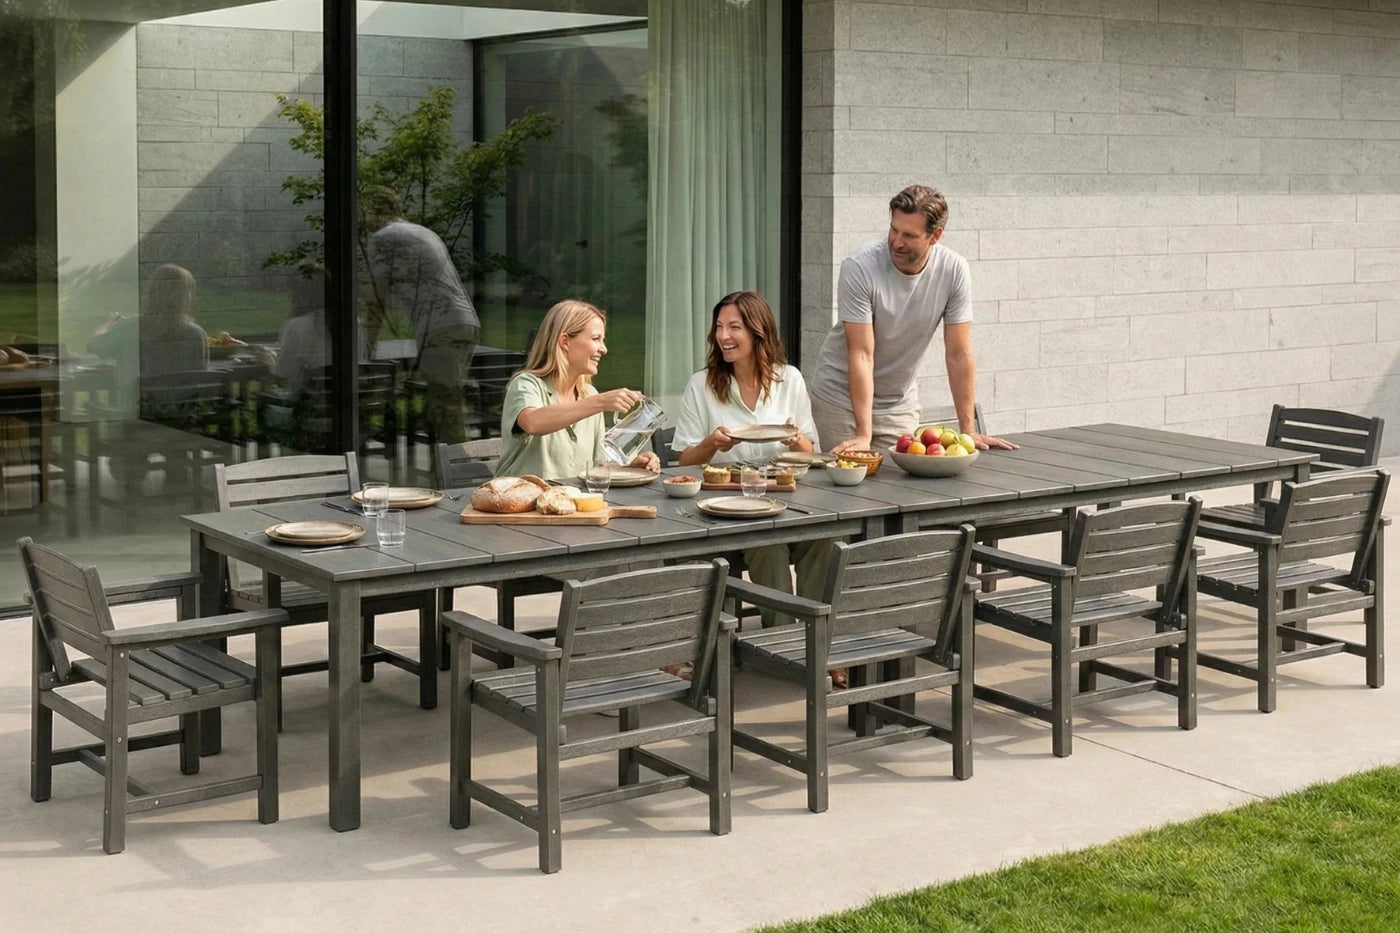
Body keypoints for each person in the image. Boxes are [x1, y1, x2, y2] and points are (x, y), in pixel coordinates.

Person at [672, 290, 835, 635]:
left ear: (758, 332)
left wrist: (796, 440)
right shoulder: (700, 385)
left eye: (734, 327)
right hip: (728, 506)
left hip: (789, 497)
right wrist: (711, 444)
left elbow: (811, 449)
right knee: (770, 546)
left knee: (824, 539)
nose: (724, 336)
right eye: (719, 327)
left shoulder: (789, 378)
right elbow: (685, 460)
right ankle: (784, 641)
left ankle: (818, 640)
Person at [809, 184, 1015, 455]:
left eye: (909, 235)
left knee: (901, 489)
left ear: (935, 235)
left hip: (898, 404)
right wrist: (863, 434)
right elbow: (861, 354)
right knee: (853, 485)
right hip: (841, 400)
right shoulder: (860, 267)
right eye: (894, 230)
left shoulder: (953, 271)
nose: (896, 241)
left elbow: (959, 353)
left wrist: (968, 430)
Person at [362, 186, 480, 445]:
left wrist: (367, 346)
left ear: (375, 210)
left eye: (364, 210)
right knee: (439, 403)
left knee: (445, 408)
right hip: (461, 322)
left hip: (440, 328)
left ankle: (456, 475)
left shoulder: (383, 238)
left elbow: (377, 297)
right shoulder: (422, 232)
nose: (361, 218)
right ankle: (446, 471)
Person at [496, 298, 660, 479]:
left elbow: (596, 467)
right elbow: (533, 423)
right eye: (596, 339)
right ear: (565, 341)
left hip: (574, 504)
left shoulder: (589, 394)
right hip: (523, 504)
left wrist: (630, 465)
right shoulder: (526, 384)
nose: (604, 349)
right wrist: (601, 402)